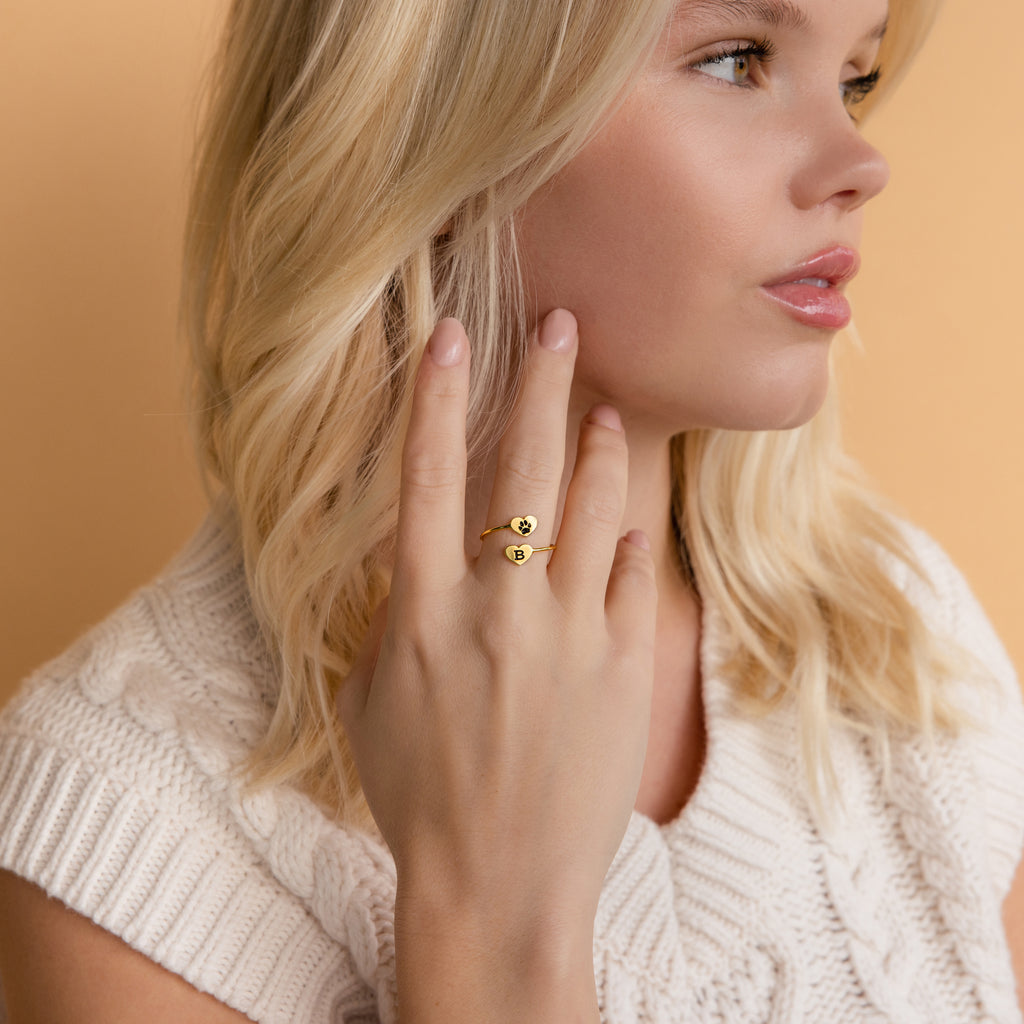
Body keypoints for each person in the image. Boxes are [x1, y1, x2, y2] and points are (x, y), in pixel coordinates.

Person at [0, 0, 1021, 1020]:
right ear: (430, 126)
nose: (858, 161)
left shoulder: (894, 635)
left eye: (854, 77)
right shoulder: (125, 820)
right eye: (736, 60)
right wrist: (485, 925)